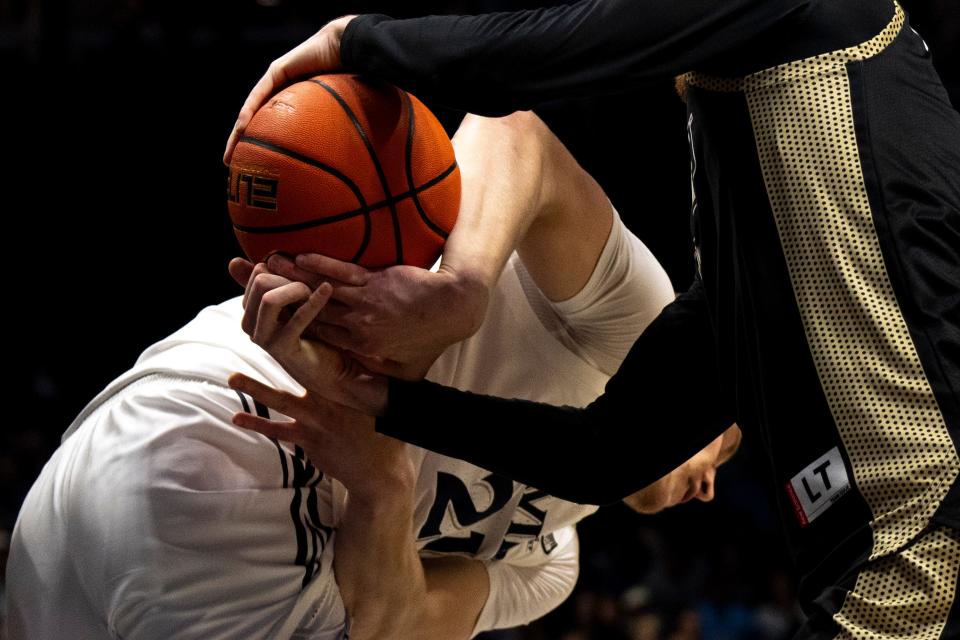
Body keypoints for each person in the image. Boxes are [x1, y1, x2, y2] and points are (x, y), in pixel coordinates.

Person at [224, 0, 960, 637]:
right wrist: (375, 398)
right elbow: (604, 455)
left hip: (928, 545)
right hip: (874, 570)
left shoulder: (828, 21)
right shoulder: (756, 242)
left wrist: (357, 41)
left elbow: (536, 60)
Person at [5, 112, 738, 640]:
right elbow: (515, 134)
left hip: (122, 476)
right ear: (700, 384)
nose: (709, 483)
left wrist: (384, 484)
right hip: (232, 427)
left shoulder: (549, 566)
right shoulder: (642, 330)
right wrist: (463, 292)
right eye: (724, 447)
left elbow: (395, 626)